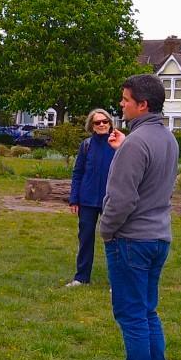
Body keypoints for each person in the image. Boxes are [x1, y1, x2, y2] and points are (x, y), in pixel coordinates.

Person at [97, 74, 180, 360]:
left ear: (143, 104)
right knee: (147, 312)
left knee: (132, 315)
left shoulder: (135, 142)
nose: (121, 104)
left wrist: (106, 230)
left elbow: (121, 199)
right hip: (159, 237)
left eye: (126, 99)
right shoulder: (168, 139)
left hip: (131, 239)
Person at [66, 108, 117, 287]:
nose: (102, 124)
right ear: (92, 126)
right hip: (87, 200)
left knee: (113, 240)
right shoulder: (86, 145)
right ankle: (81, 277)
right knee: (85, 239)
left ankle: (116, 282)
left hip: (111, 200)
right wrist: (74, 198)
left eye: (105, 121)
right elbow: (78, 173)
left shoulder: (118, 144)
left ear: (110, 123)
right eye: (98, 122)